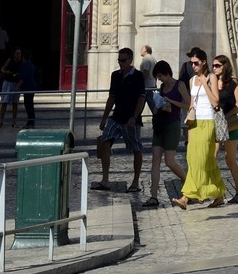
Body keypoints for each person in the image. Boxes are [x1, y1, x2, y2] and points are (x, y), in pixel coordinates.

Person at [174, 47, 227, 210]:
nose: (194, 66)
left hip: (208, 122)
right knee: (194, 158)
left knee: (201, 159)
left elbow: (216, 102)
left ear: (204, 62)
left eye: (196, 63)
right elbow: (192, 105)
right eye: (191, 63)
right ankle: (218, 194)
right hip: (195, 124)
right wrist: (188, 127)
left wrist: (205, 83)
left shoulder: (212, 77)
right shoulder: (191, 81)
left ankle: (186, 196)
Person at [94, 46, 146, 191]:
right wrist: (104, 118)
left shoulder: (138, 76)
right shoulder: (115, 75)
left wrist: (135, 116)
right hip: (116, 117)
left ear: (130, 60)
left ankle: (135, 182)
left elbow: (141, 98)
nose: (121, 63)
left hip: (131, 118)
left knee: (136, 148)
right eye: (119, 60)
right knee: (104, 142)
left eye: (123, 60)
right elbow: (112, 97)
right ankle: (105, 179)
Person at [143, 60, 187, 207]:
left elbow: (188, 104)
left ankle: (188, 182)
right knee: (155, 159)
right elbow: (161, 104)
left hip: (173, 125)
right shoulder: (162, 87)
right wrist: (159, 105)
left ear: (167, 72)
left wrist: (172, 102)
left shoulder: (179, 85)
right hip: (160, 124)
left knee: (170, 162)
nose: (159, 79)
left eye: (160, 76)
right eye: (157, 77)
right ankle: (153, 196)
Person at [212, 51, 238, 203]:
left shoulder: (233, 83)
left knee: (230, 159)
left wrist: (227, 116)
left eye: (217, 65)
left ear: (225, 66)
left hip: (230, 124)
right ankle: (218, 193)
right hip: (216, 124)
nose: (214, 68)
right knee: (212, 157)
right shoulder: (211, 82)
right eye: (213, 65)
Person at [0, 46, 24, 130]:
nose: (19, 55)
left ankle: (14, 121)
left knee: (15, 103)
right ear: (14, 54)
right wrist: (7, 72)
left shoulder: (21, 63)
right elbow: (2, 69)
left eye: (20, 53)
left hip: (16, 83)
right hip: (8, 82)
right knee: (4, 102)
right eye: (17, 53)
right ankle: (1, 121)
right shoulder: (10, 61)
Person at [18, 49, 39, 128]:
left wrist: (17, 86)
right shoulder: (31, 64)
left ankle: (30, 122)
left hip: (28, 87)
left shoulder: (25, 65)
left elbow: (24, 77)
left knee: (28, 105)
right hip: (32, 87)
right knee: (30, 104)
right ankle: (31, 122)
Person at [138, 43, 156, 112]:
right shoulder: (153, 59)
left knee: (151, 104)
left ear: (145, 50)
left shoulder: (146, 59)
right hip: (152, 85)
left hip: (146, 86)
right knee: (142, 104)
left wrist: (140, 82)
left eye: (142, 49)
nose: (140, 50)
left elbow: (145, 72)